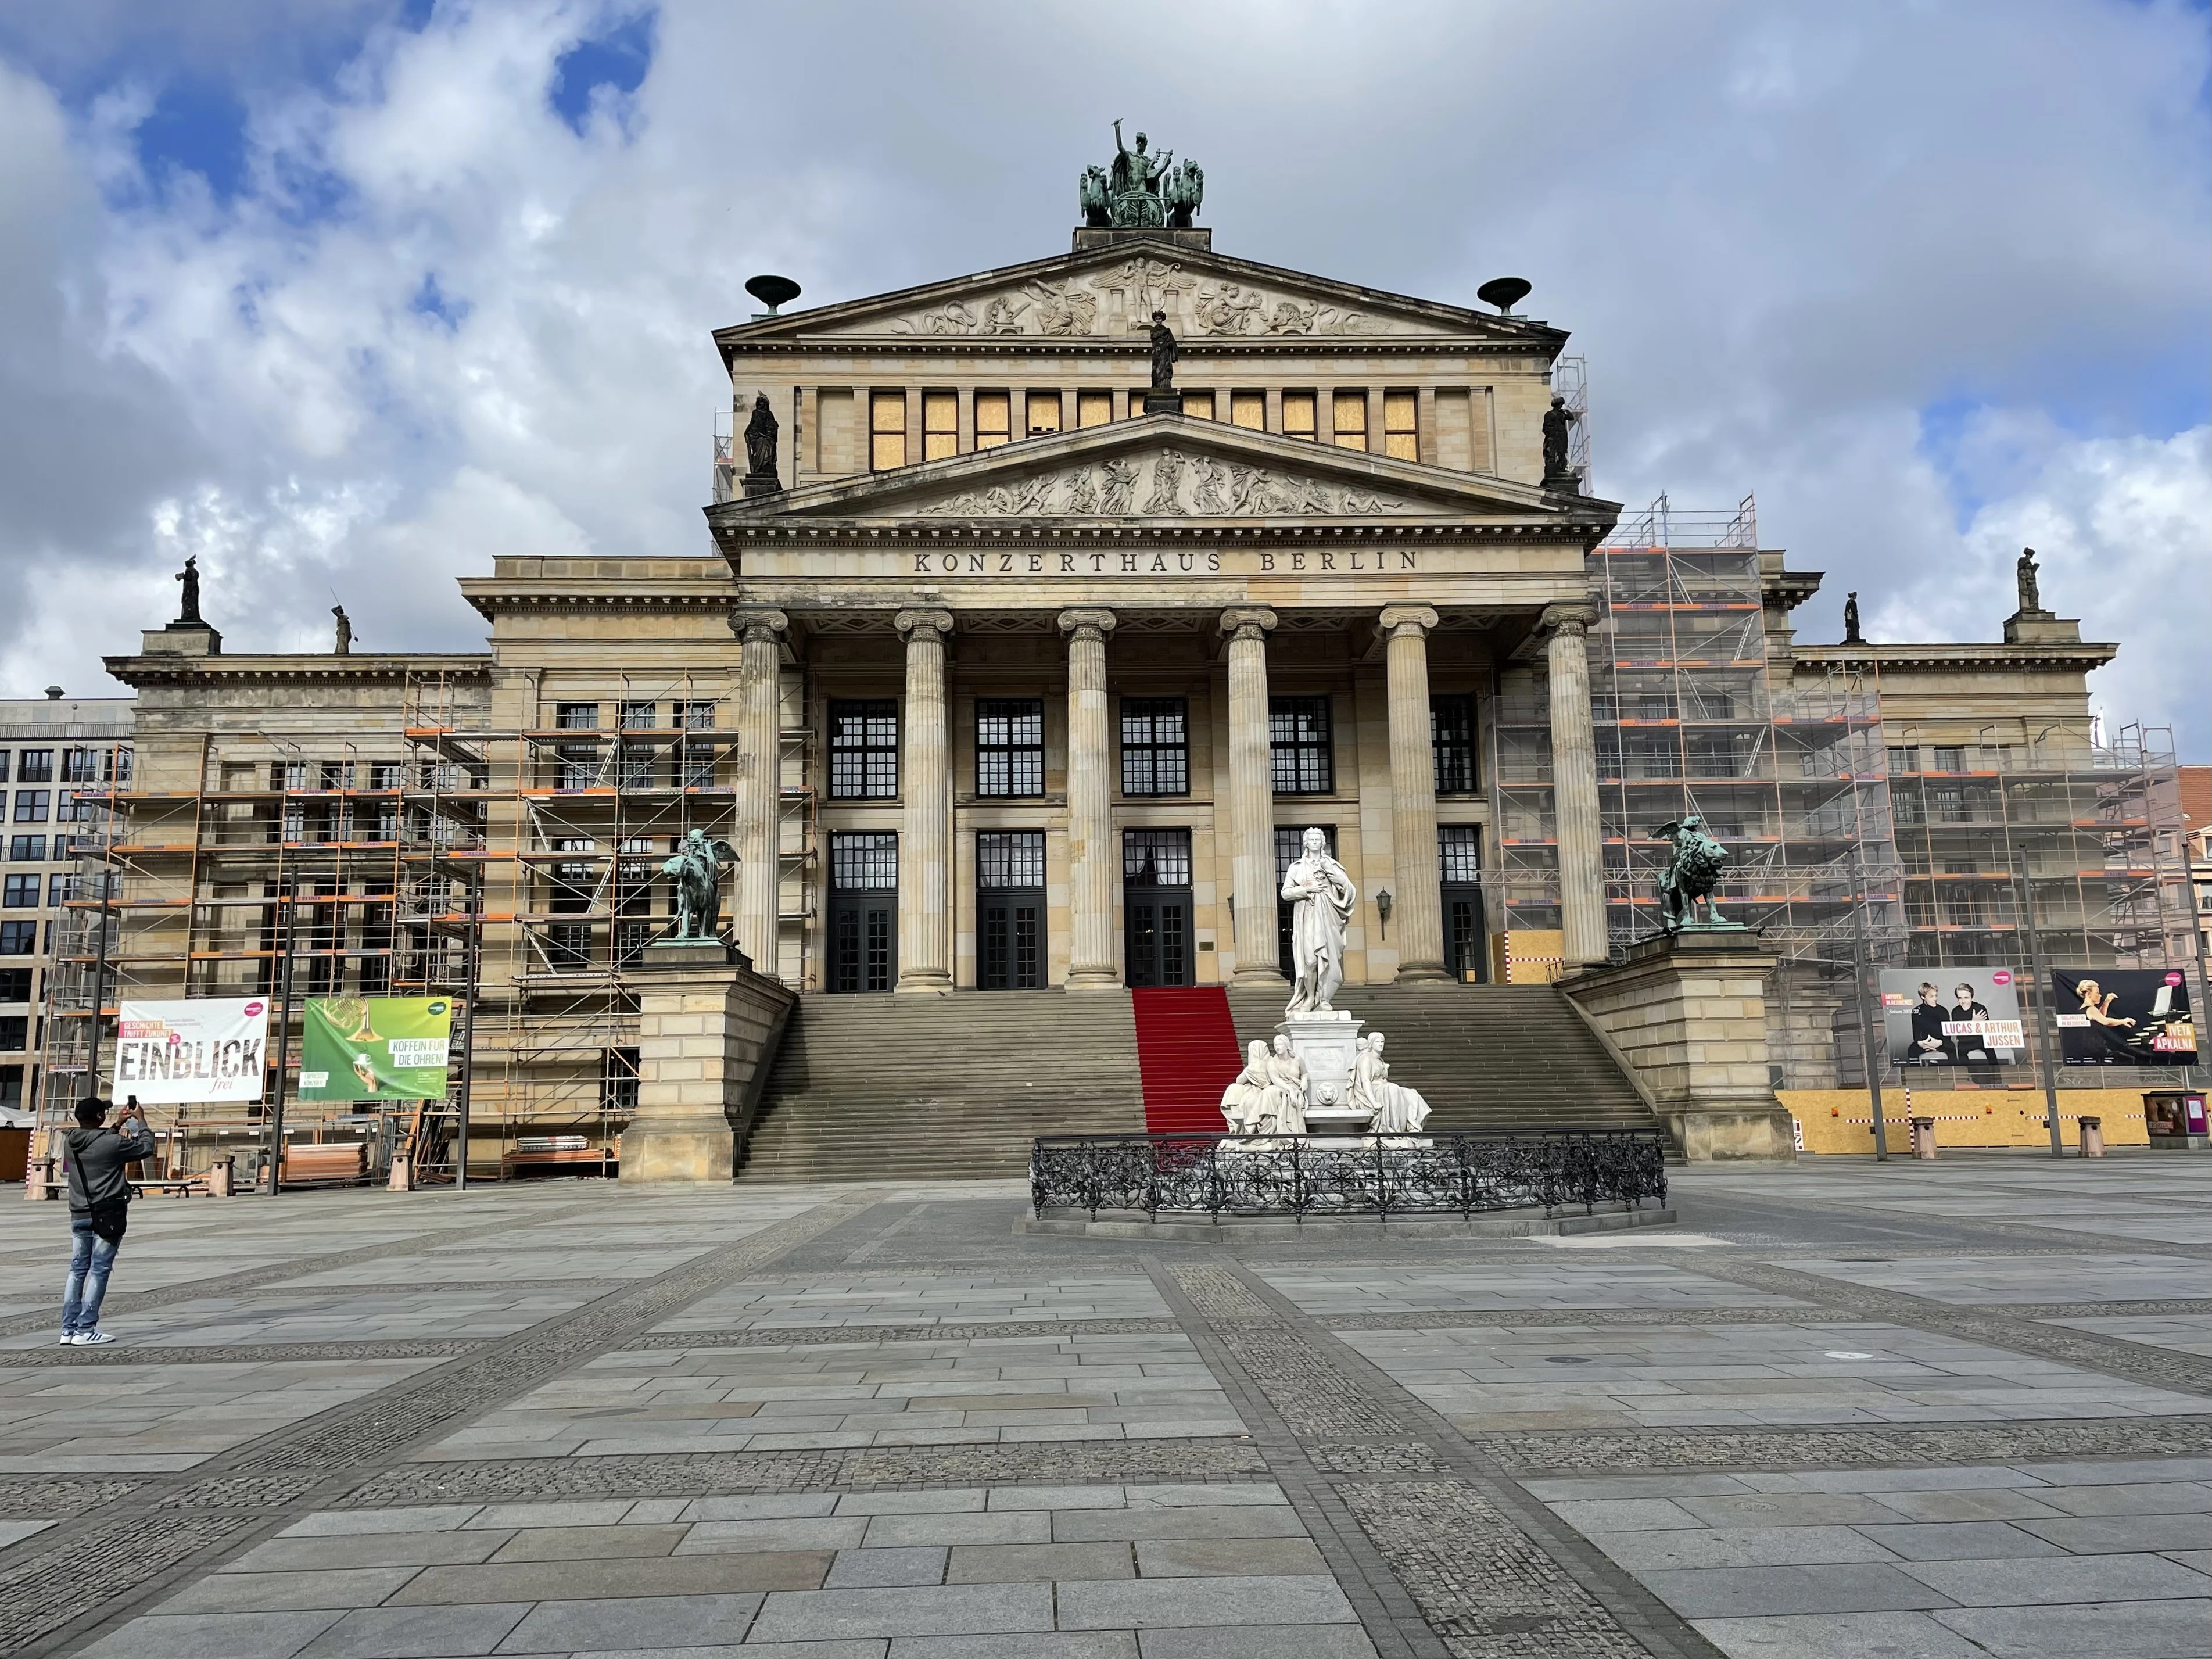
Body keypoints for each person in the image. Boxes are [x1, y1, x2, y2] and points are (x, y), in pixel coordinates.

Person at [59, 1097, 156, 1346]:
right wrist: (141, 1121)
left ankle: (68, 1330)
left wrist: (115, 1125)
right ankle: (86, 1329)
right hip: (106, 1216)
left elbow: (97, 1142)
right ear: (100, 1117)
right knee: (100, 1270)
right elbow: (146, 1148)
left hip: (79, 1214)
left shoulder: (70, 1142)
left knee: (77, 1271)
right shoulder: (112, 1144)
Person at [1349, 1033, 1431, 1135]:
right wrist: (1373, 1102)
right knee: (1392, 1088)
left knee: (1412, 1094)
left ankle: (1413, 1127)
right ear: (1371, 1044)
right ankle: (1393, 1131)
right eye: (1377, 1042)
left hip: (1382, 1087)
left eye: (1382, 1042)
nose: (1381, 1044)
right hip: (1372, 1092)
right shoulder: (1366, 1058)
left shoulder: (1379, 1060)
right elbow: (1365, 1082)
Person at [1945, 983, 1994, 1064]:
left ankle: (1996, 1075)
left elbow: (1987, 1030)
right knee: (1961, 1051)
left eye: (1966, 998)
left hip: (1980, 1040)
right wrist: (1973, 1023)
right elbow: (1960, 1033)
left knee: (1989, 1047)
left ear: (1972, 997)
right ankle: (1970, 1075)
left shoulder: (1980, 1008)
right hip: (1965, 1042)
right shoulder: (1956, 1011)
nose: (1963, 1001)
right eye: (1960, 998)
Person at [1907, 982, 1949, 1064]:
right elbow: (1917, 1035)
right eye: (1931, 996)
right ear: (1923, 997)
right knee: (1911, 1050)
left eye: (1936, 995)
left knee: (1952, 1048)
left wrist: (1939, 1043)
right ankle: (1917, 1075)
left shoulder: (1943, 1011)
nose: (1935, 999)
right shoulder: (1917, 1011)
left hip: (1941, 1042)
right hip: (1924, 1043)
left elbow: (1947, 1036)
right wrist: (1923, 1044)